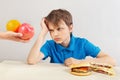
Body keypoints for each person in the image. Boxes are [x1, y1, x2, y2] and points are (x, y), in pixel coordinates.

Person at [27, 9, 116, 66]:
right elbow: (31, 60)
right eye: (51, 30)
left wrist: (80, 62)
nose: (55, 34)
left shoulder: (82, 44)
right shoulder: (50, 45)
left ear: (70, 28)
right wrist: (43, 33)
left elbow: (111, 61)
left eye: (59, 29)